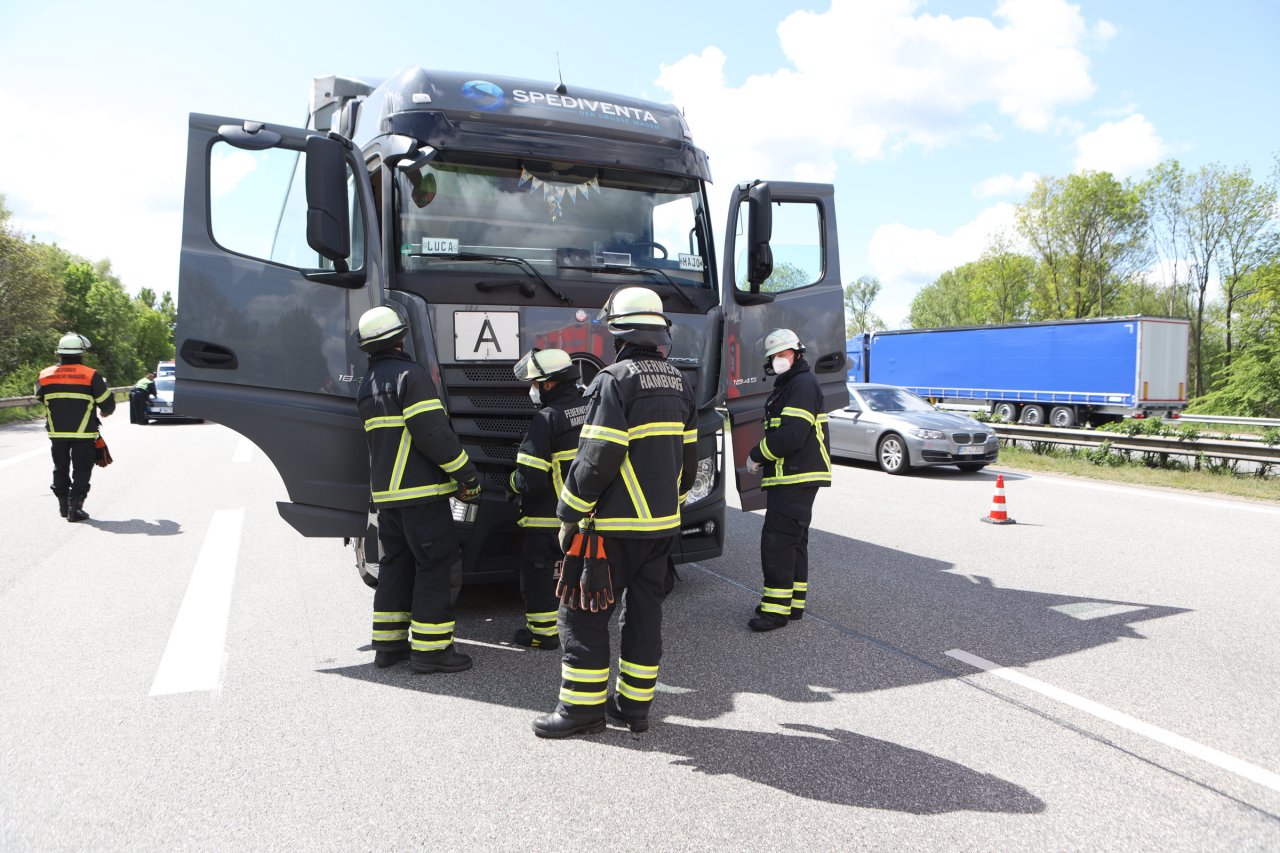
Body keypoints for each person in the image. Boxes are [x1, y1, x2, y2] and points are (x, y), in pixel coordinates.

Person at [532, 286, 697, 739]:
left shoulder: (613, 380)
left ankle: (582, 712)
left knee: (582, 612)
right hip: (661, 527)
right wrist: (671, 506)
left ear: (617, 332)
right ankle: (633, 709)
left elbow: (598, 456)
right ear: (658, 331)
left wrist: (569, 512)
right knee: (644, 616)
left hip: (611, 529)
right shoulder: (680, 382)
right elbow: (690, 461)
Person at [355, 305, 483, 674]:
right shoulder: (410, 377)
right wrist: (466, 475)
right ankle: (431, 652)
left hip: (388, 499)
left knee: (396, 566)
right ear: (401, 336)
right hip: (421, 493)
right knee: (435, 566)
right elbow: (433, 433)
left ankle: (388, 647)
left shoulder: (368, 385)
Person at [743, 329, 832, 631]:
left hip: (795, 476)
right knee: (793, 541)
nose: (778, 360)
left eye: (783, 354)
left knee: (778, 542)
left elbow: (792, 435)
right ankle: (792, 604)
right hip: (796, 476)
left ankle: (774, 611)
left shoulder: (801, 384)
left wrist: (757, 454)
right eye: (774, 357)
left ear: (796, 353)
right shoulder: (794, 383)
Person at [508, 348, 586, 650]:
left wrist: (511, 483)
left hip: (544, 517)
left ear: (549, 384)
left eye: (535, 383)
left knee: (539, 576)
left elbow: (531, 479)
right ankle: (574, 625)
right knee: (574, 573)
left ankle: (542, 633)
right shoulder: (588, 407)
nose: (533, 389)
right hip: (581, 515)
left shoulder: (546, 419)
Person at [35, 333, 116, 522]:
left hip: (57, 433)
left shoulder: (45, 375)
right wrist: (105, 411)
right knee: (82, 469)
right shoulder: (90, 375)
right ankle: (75, 509)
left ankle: (63, 507)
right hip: (84, 434)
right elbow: (108, 405)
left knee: (60, 468)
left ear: (60, 354)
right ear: (81, 354)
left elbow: (40, 397)